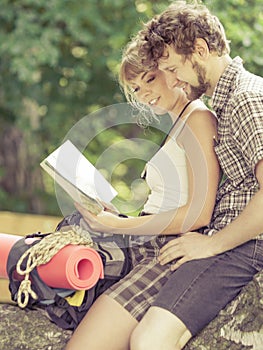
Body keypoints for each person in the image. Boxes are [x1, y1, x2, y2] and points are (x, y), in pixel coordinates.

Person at [111, 1, 263, 349]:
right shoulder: (226, 102)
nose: (173, 80)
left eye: (174, 68)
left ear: (200, 50)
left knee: (151, 339)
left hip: (246, 244)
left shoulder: (245, 98)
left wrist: (212, 243)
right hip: (234, 239)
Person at [65, 38, 219, 349]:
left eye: (148, 78)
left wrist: (116, 225)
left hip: (165, 253)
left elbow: (198, 214)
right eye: (135, 88)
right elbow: (167, 201)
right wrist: (114, 216)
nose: (143, 93)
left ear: (170, 70)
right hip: (145, 243)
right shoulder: (177, 125)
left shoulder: (199, 119)